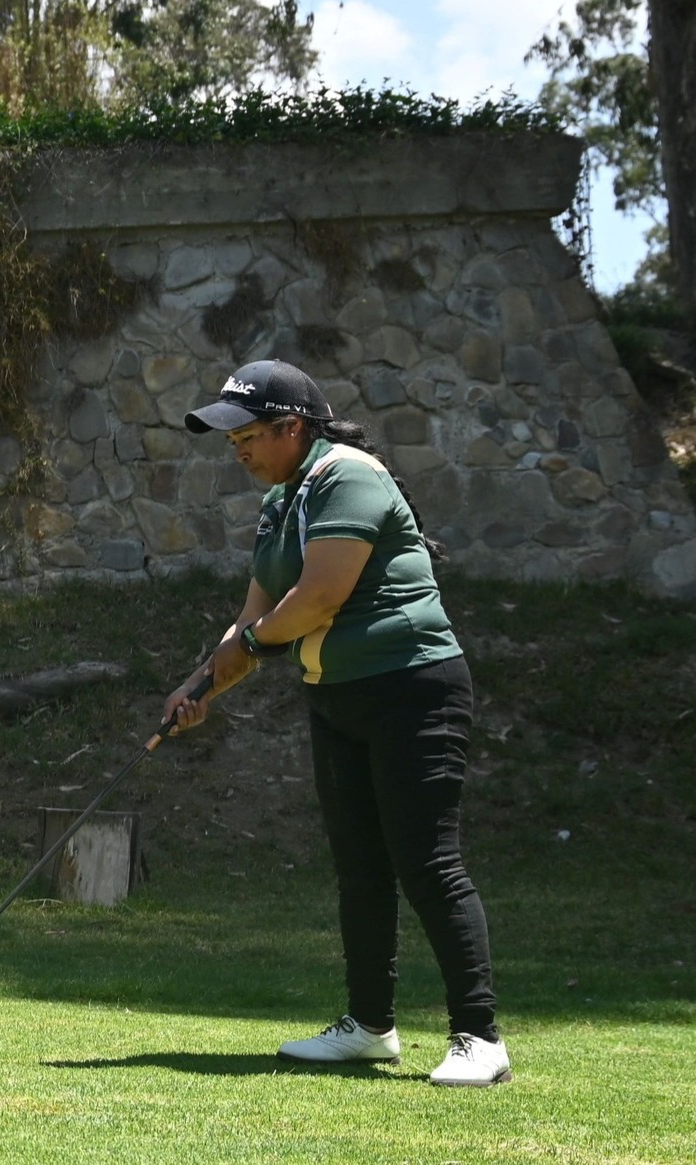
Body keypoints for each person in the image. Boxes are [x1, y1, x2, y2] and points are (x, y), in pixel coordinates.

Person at [169, 359, 510, 1087]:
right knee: (360, 868)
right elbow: (251, 619)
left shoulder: (348, 475)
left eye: (249, 435)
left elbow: (317, 598)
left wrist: (251, 647)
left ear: (294, 427)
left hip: (413, 688)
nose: (238, 450)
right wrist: (200, 687)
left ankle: (479, 1037)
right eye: (232, 439)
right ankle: (369, 1027)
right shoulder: (281, 501)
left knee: (428, 861)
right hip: (340, 695)